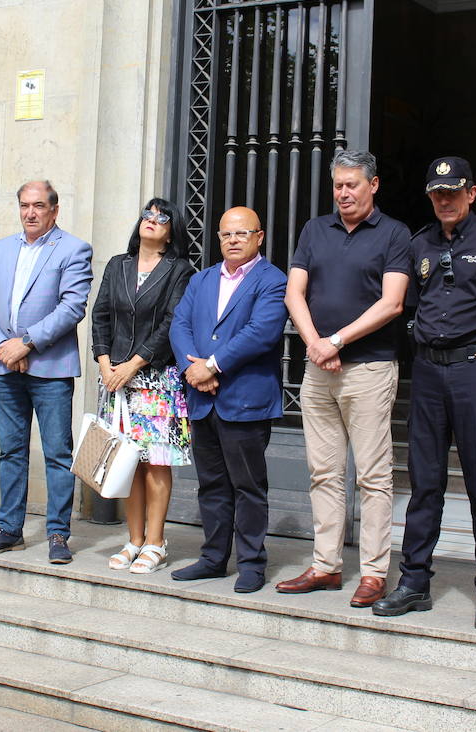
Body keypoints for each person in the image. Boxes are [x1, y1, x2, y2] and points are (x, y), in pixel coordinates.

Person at [374, 157, 476, 631]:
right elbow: (411, 309)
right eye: (437, 192)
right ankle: (414, 581)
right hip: (429, 374)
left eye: (453, 192)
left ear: (472, 193)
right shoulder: (418, 242)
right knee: (425, 482)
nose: (445, 200)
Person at [278, 150, 410, 608]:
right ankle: (325, 566)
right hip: (319, 370)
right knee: (324, 473)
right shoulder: (316, 229)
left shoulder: (394, 233)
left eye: (352, 184)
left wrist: (335, 340)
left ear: (373, 185)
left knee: (373, 477)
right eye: (338, 185)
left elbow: (392, 303)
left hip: (370, 369)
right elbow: (294, 291)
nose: (344, 193)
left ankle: (374, 573)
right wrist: (316, 344)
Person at [168, 206, 289, 594]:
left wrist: (212, 366)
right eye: (225, 235)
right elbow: (180, 324)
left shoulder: (273, 280)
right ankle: (213, 558)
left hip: (245, 399)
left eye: (241, 234)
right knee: (211, 485)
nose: (232, 241)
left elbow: (262, 332)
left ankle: (252, 563)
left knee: (248, 486)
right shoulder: (202, 280)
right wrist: (194, 370)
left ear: (259, 237)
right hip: (202, 399)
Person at [0, 181, 93, 564]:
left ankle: (58, 533)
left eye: (39, 206)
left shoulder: (73, 249)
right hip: (5, 366)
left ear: (54, 210)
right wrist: (3, 347)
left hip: (51, 368)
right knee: (12, 452)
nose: (30, 213)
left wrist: (26, 342)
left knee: (57, 453)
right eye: (24, 205)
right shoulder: (2, 248)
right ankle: (9, 530)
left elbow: (72, 306)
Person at [90, 198, 196, 574]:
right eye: (147, 215)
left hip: (157, 379)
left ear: (170, 233)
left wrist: (134, 364)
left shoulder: (179, 270)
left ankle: (155, 542)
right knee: (127, 462)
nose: (151, 221)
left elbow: (172, 323)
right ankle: (133, 540)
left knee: (157, 464)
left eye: (161, 217)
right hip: (115, 381)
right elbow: (100, 315)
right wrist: (105, 364)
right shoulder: (117, 265)